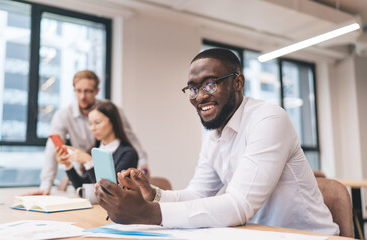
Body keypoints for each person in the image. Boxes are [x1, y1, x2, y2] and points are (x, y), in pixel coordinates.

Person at [94, 48, 340, 235]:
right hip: (257, 235)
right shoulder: (215, 135)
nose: (200, 96)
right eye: (192, 88)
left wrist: (148, 213)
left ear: (238, 83)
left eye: (210, 84)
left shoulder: (268, 118)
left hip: (308, 236)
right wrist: (153, 195)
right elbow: (198, 194)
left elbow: (239, 205)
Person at [27, 70, 148, 195]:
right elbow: (52, 150)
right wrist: (54, 177)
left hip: (96, 170)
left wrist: (143, 163)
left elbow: (110, 188)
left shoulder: (126, 152)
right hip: (87, 168)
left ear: (97, 91)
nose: (82, 96)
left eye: (88, 91)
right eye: (78, 91)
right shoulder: (64, 115)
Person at [55, 101, 138, 189]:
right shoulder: (94, 151)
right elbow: (82, 187)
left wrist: (90, 162)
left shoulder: (128, 153)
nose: (92, 128)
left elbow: (111, 191)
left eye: (97, 123)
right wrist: (68, 165)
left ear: (112, 122)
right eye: (90, 124)